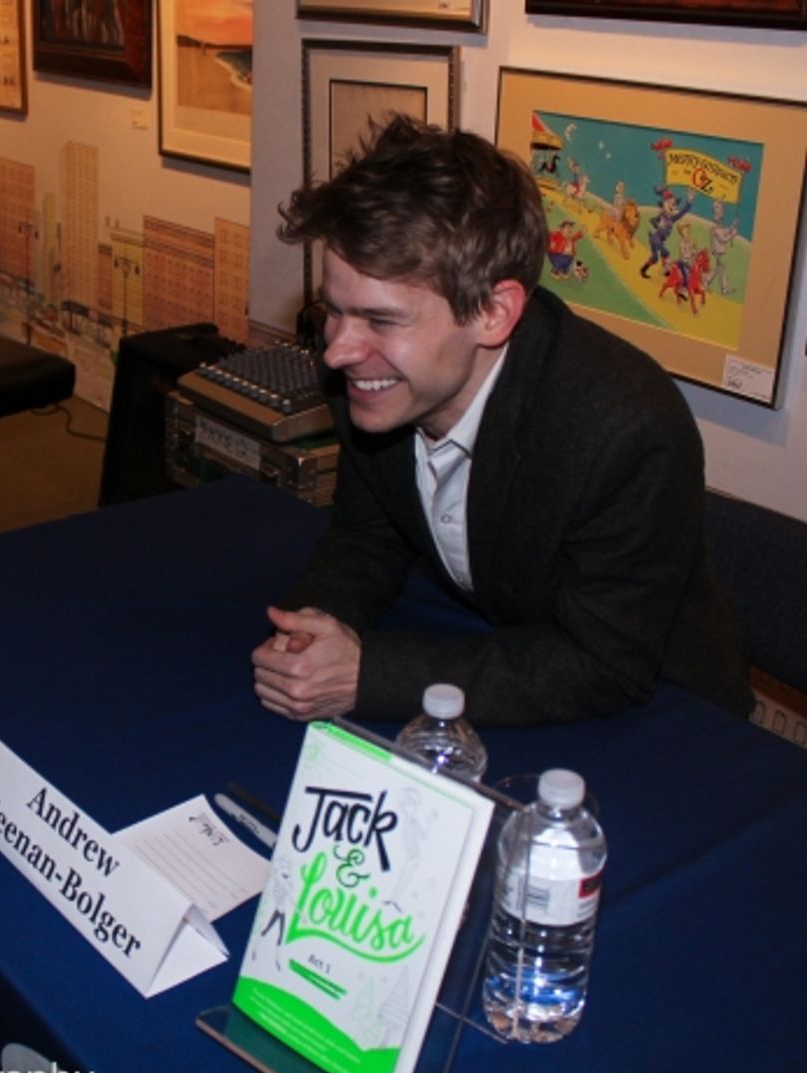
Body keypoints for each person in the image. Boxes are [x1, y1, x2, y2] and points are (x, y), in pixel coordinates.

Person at [252, 116, 753, 727]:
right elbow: (369, 534)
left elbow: (601, 663)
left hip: (666, 718)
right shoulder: (372, 378)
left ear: (493, 312)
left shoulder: (627, 430)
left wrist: (369, 674)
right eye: (334, 310)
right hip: (503, 657)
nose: (337, 350)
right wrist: (314, 630)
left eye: (380, 320)